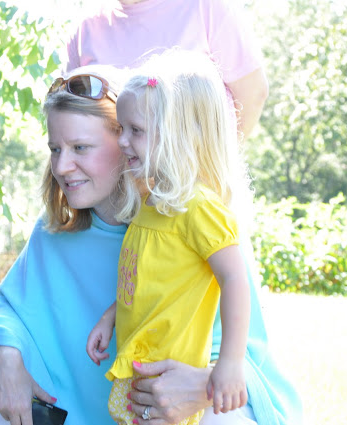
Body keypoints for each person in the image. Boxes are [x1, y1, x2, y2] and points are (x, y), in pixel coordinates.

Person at [0, 67, 218, 425]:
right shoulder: (54, 231)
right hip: (73, 409)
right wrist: (7, 354)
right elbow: (10, 311)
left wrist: (199, 387)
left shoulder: (188, 222)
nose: (62, 166)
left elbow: (244, 357)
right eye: (55, 149)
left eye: (80, 147)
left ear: (127, 141)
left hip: (165, 410)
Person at [86, 53, 252, 425]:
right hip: (143, 370)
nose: (122, 141)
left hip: (172, 376)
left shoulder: (198, 207)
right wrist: (110, 318)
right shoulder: (152, 202)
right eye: (121, 128)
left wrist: (230, 363)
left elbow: (235, 279)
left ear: (179, 134)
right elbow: (148, 282)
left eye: (136, 130)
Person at [66, 0, 269, 142]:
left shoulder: (206, 6)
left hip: (192, 184)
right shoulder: (85, 26)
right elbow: (67, 112)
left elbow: (252, 94)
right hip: (113, 189)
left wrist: (213, 168)